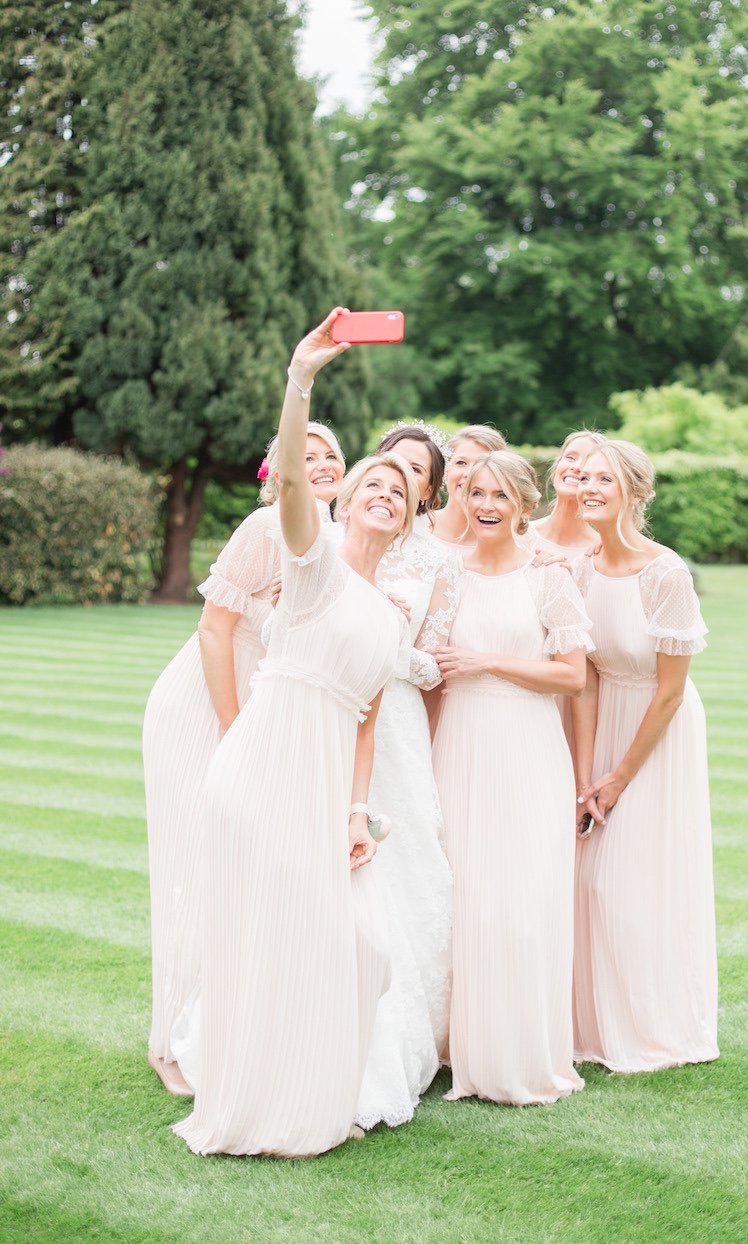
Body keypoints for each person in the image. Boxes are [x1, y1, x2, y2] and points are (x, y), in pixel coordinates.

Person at [173, 308, 418, 1158]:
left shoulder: (389, 617)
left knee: (358, 941)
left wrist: (357, 813)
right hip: (263, 766)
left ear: (413, 520)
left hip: (326, 785)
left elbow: (366, 726)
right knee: (279, 931)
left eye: (404, 491)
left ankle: (312, 1082)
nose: (386, 492)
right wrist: (300, 377)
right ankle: (259, 1100)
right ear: (343, 499)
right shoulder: (311, 572)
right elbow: (287, 490)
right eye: (374, 484)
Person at [142, 421, 345, 1097]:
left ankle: (225, 1029)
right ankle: (168, 1040)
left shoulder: (331, 542)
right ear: (276, 474)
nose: (320, 464)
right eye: (304, 455)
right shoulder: (264, 530)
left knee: (245, 874)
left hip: (265, 713)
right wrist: (234, 732)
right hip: (205, 708)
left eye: (330, 455)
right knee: (193, 869)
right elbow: (214, 630)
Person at [423, 450, 591, 1106]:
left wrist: (487, 661)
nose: (486, 505)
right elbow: (434, 668)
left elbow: (572, 675)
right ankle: (452, 1049)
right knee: (463, 895)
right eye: (475, 492)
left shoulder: (548, 575)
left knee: (521, 899)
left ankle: (519, 1056)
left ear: (524, 506)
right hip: (460, 744)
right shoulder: (446, 574)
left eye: (500, 495)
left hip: (526, 746)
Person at [571, 440, 718, 1072]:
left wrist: (619, 776)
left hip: (656, 735)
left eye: (605, 478)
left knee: (632, 880)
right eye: (583, 478)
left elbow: (671, 691)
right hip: (604, 724)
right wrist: (586, 774)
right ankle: (596, 1028)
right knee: (590, 880)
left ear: (634, 491)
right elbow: (587, 676)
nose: (590, 487)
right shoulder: (580, 567)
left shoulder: (665, 574)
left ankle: (657, 1027)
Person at [351, 422, 455, 1129]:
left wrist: (395, 649)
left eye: (416, 472)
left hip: (398, 729)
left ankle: (410, 1037)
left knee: (410, 870)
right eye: (391, 467)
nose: (402, 479)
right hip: (341, 714)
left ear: (430, 490)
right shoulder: (339, 541)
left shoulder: (434, 564)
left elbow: (435, 662)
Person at [424, 424, 506, 550]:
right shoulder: (412, 526)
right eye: (461, 463)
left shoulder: (508, 541)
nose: (469, 473)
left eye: (482, 464)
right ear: (445, 470)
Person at [529, 430, 605, 556]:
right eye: (570, 457)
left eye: (588, 462)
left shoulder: (601, 551)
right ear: (556, 468)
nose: (577, 467)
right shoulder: (517, 533)